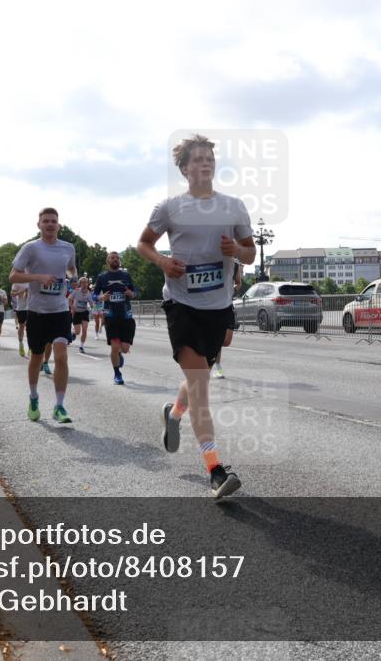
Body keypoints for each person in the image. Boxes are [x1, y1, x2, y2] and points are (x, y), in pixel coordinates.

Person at [137, 133, 255, 498]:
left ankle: (173, 414)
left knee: (198, 376)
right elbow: (143, 243)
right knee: (202, 384)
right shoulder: (169, 208)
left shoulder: (234, 207)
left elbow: (250, 254)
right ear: (185, 168)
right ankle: (216, 470)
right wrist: (162, 262)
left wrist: (235, 248)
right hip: (181, 304)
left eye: (210, 159)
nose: (205, 164)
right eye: (198, 159)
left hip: (218, 307)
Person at [9, 207, 78, 424]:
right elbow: (13, 276)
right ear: (38, 225)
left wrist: (72, 277)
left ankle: (59, 405)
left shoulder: (68, 247)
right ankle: (33, 397)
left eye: (53, 221)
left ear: (59, 225)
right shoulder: (31, 248)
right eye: (46, 221)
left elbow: (71, 269)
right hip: (37, 311)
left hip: (60, 310)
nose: (50, 224)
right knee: (36, 358)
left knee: (61, 356)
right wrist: (39, 277)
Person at [94, 252, 138, 384]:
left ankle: (119, 354)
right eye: (112, 258)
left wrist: (131, 293)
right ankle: (117, 374)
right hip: (111, 316)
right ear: (108, 261)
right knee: (114, 347)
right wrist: (101, 297)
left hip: (126, 315)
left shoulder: (125, 275)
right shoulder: (102, 277)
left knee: (124, 348)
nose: (115, 259)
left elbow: (135, 292)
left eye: (117, 258)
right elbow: (94, 295)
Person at [212, 262, 243, 379]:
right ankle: (218, 369)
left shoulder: (234, 265)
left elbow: (239, 283)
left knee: (226, 341)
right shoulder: (210, 261)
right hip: (212, 307)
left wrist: (233, 290)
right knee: (217, 340)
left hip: (228, 306)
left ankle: (210, 356)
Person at [68, 277, 95, 354]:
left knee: (85, 329)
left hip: (84, 312)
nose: (84, 284)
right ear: (80, 284)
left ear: (87, 284)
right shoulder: (76, 291)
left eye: (86, 282)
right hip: (77, 313)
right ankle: (73, 332)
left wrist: (92, 306)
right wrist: (72, 308)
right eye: (83, 282)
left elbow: (91, 303)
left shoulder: (89, 293)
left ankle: (81, 346)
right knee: (77, 332)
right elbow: (69, 299)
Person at [10, 281, 30, 357]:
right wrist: (23, 290)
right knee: (21, 326)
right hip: (21, 308)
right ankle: (21, 344)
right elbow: (12, 294)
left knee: (30, 328)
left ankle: (30, 347)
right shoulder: (17, 282)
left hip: (32, 307)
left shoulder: (33, 279)